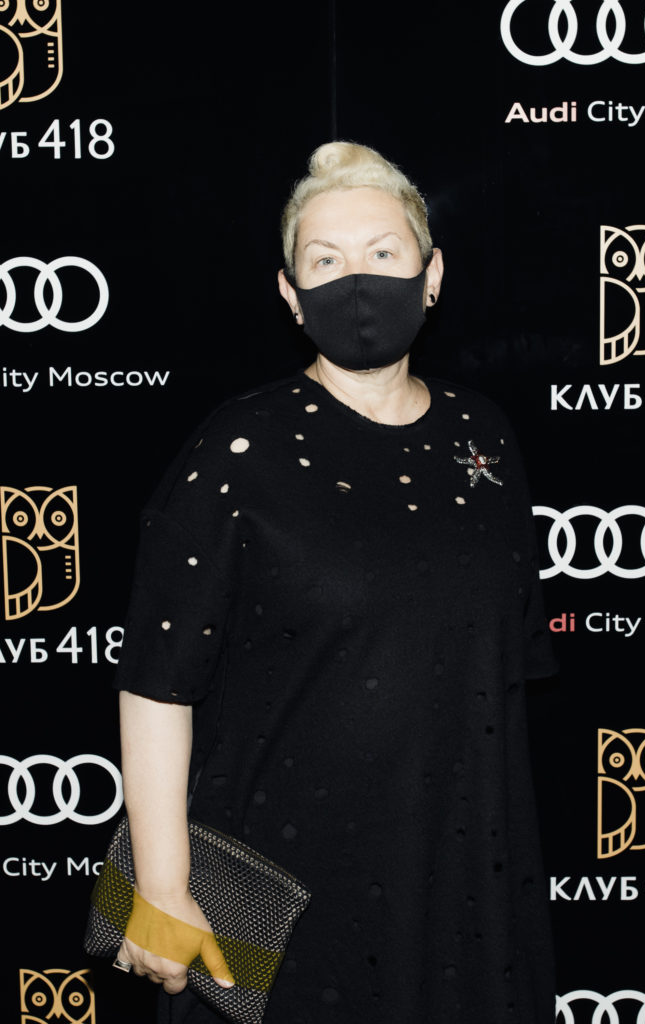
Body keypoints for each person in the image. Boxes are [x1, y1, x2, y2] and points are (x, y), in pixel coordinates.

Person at [113, 141, 557, 1023]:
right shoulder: (236, 448)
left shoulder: (484, 438)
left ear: (432, 276)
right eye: (325, 260)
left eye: (383, 252)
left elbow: (502, 683)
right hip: (282, 880)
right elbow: (158, 682)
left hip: (461, 871)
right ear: (290, 293)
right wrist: (161, 888)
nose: (356, 280)